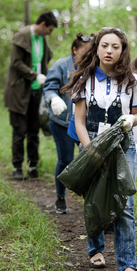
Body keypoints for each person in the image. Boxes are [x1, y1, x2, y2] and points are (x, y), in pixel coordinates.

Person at [60, 27, 137, 271]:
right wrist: (91, 152)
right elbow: (80, 121)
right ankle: (95, 249)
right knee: (94, 197)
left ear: (122, 51)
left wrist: (131, 119)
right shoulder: (84, 79)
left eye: (115, 47)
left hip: (122, 145)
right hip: (92, 142)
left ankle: (128, 265)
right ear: (96, 48)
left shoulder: (132, 80)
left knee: (124, 203)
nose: (109, 51)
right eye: (105, 45)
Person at [43, 32, 94, 214]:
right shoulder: (60, 66)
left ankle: (91, 199)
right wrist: (53, 99)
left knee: (89, 159)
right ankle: (60, 197)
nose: (89, 54)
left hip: (85, 123)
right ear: (74, 50)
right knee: (65, 160)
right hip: (61, 122)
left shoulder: (94, 67)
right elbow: (48, 88)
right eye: (85, 51)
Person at [4, 11, 57, 180]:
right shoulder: (22, 36)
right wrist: (34, 75)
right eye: (49, 30)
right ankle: (17, 167)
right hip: (19, 92)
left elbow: (46, 60)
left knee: (34, 130)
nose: (50, 33)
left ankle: (33, 165)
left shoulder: (43, 39)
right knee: (19, 130)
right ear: (42, 25)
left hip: (37, 92)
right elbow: (15, 63)